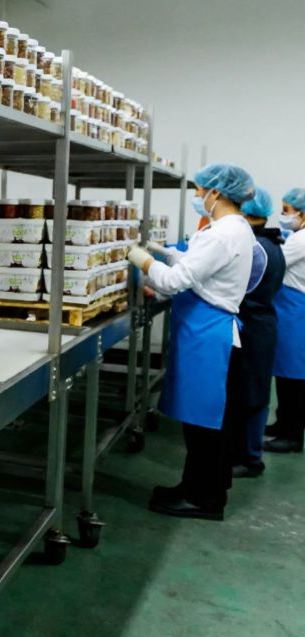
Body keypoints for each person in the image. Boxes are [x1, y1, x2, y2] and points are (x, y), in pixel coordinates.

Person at [127, 164, 256, 520]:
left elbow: (173, 281)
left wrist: (143, 259)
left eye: (201, 191)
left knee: (205, 424)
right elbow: (198, 267)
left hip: (207, 333)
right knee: (200, 422)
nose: (198, 197)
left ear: (217, 192)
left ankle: (206, 500)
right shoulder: (232, 229)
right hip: (206, 328)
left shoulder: (222, 234)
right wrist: (163, 251)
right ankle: (194, 487)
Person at [226, 188, 285, 478]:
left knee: (249, 395)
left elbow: (237, 286)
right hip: (261, 325)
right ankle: (246, 454)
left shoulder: (257, 248)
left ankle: (249, 459)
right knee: (251, 393)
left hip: (253, 327)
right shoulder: (270, 243)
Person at [264, 188, 305, 453]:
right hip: (289, 310)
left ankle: (292, 436)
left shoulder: (302, 239)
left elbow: (274, 262)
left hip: (297, 312)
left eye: (287, 210)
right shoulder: (297, 236)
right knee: (285, 373)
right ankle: (283, 424)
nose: (283, 215)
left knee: (294, 377)